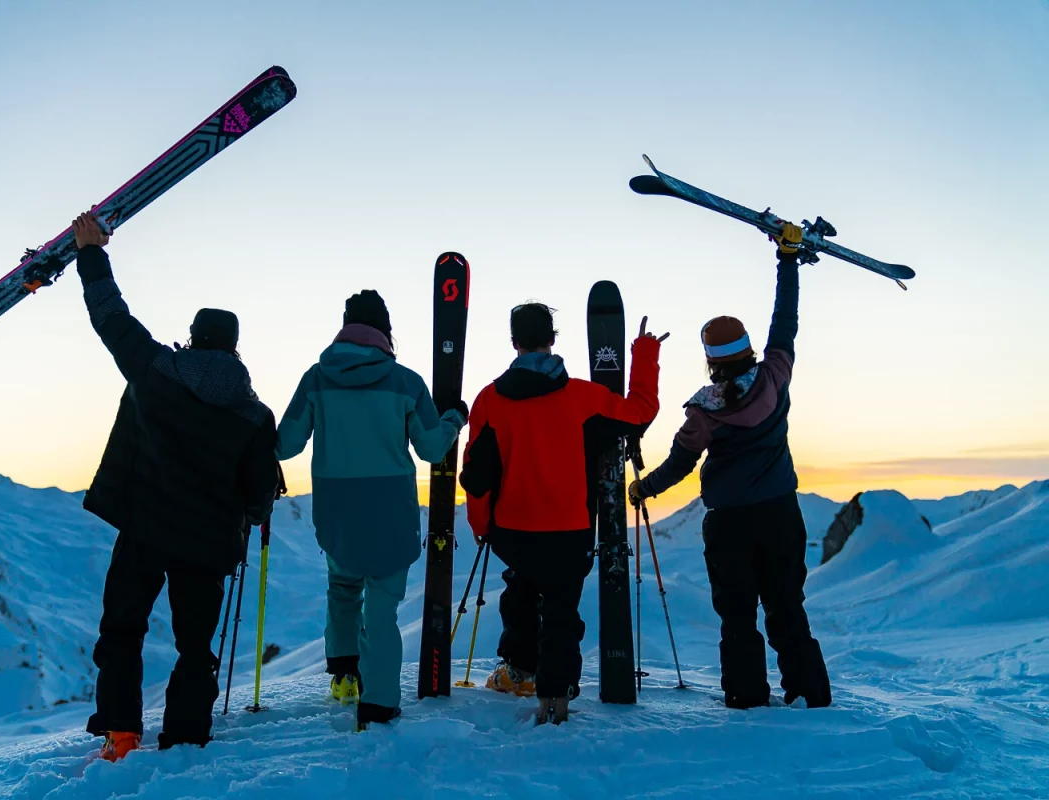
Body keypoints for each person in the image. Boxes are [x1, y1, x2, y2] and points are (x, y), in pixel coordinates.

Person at [71, 212, 282, 761]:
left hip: (142, 528)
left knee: (122, 630)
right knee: (195, 644)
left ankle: (121, 734)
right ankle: (186, 736)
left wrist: (91, 253)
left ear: (192, 339)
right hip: (207, 545)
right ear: (235, 349)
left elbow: (110, 317)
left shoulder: (153, 370)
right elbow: (261, 495)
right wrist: (250, 509)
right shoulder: (256, 416)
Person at [629, 222, 832, 710]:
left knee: (737, 614)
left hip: (730, 525)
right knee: (787, 607)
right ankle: (810, 694)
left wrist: (643, 489)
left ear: (710, 360)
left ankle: (745, 696)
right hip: (782, 513)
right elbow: (786, 321)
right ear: (747, 350)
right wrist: (787, 261)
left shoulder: (704, 409)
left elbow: (680, 462)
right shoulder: (775, 377)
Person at [459, 302, 661, 724]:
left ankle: (519, 673)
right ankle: (557, 700)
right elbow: (639, 412)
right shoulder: (584, 398)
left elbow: (477, 477)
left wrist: (481, 525)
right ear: (552, 339)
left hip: (513, 530)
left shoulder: (490, 401)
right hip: (569, 529)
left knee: (519, 594)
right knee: (561, 612)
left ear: (514, 342)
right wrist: (644, 353)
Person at [275, 290, 466, 728]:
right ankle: (378, 703)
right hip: (390, 514)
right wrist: (454, 418)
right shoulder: (405, 382)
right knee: (381, 611)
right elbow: (433, 449)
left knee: (343, 591)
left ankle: (344, 678)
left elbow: (285, 444)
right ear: (385, 331)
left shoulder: (316, 379)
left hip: (337, 515)